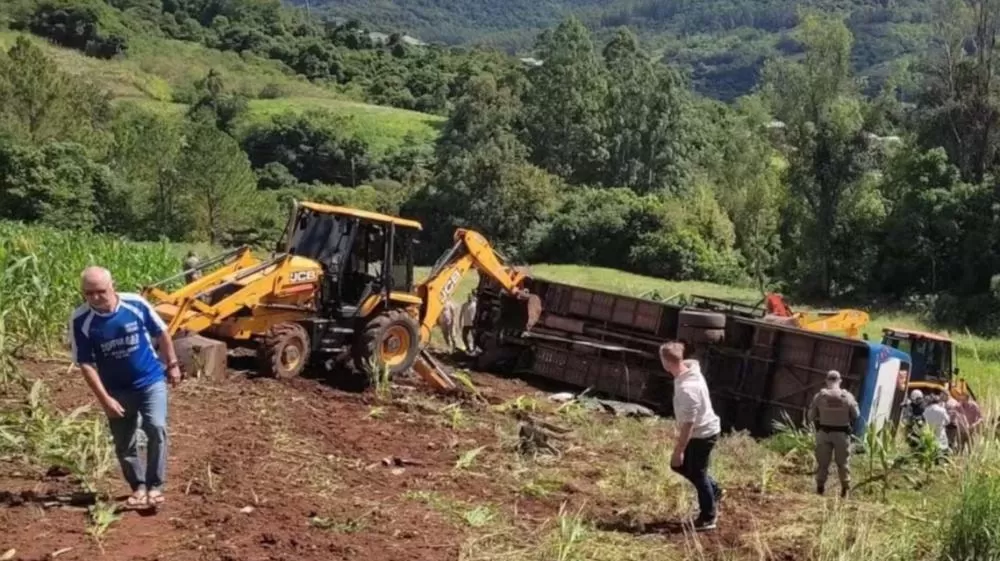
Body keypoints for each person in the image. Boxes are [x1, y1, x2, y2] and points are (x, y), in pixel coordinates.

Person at [68, 266, 182, 508]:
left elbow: (161, 332)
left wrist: (172, 364)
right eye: (88, 293)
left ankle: (155, 486)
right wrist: (105, 400)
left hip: (150, 380)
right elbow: (86, 364)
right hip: (116, 390)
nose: (95, 298)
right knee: (125, 443)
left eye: (101, 291)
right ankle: (138, 487)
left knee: (156, 427)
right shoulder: (81, 320)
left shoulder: (135, 304)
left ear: (113, 286)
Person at [660, 341, 722, 531]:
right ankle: (715, 491)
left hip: (702, 434)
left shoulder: (688, 389)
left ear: (666, 362)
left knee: (694, 471)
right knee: (690, 469)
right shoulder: (691, 368)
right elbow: (686, 360)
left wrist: (679, 450)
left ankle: (708, 517)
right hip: (704, 430)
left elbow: (688, 425)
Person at [807, 370, 859, 498]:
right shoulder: (847, 397)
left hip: (824, 433)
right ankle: (845, 490)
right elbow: (856, 415)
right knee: (843, 463)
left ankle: (820, 489)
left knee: (823, 463)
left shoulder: (820, 396)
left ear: (827, 381)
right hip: (842, 435)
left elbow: (810, 417)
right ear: (840, 381)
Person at [923, 393, 951, 459]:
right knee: (942, 447)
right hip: (940, 431)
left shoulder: (926, 410)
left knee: (932, 447)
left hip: (930, 432)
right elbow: (948, 421)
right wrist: (943, 424)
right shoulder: (942, 410)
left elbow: (924, 422)